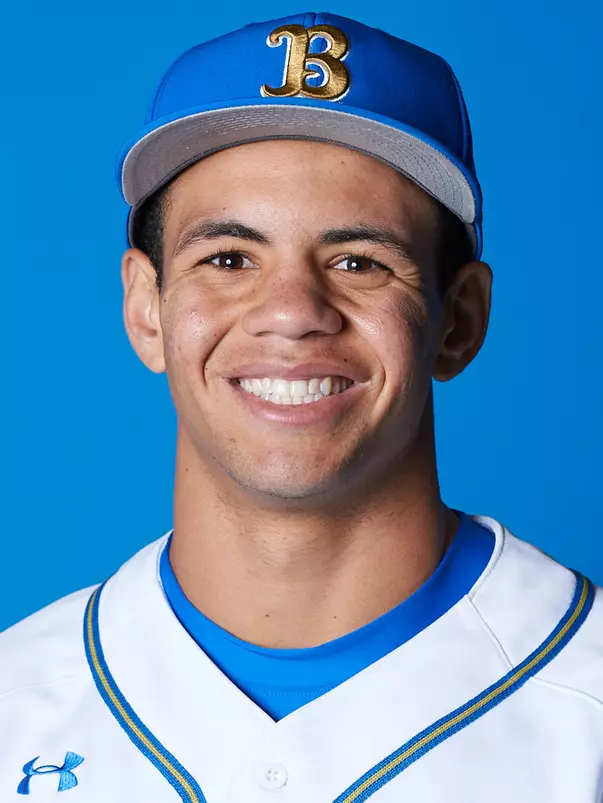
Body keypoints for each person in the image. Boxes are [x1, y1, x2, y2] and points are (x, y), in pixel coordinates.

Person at [1, 11, 602, 802]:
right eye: (228, 258)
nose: (291, 310)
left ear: (459, 320)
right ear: (146, 309)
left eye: (357, 261)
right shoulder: (15, 703)